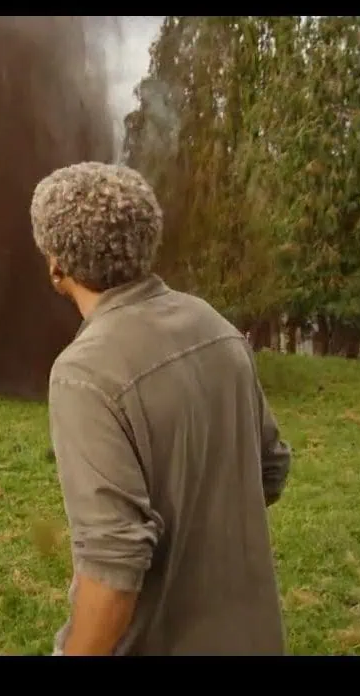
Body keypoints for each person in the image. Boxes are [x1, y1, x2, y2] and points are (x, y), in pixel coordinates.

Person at [27, 161, 292, 656]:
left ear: (56, 264)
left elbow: (112, 571)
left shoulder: (85, 372)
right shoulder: (212, 324)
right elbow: (271, 468)